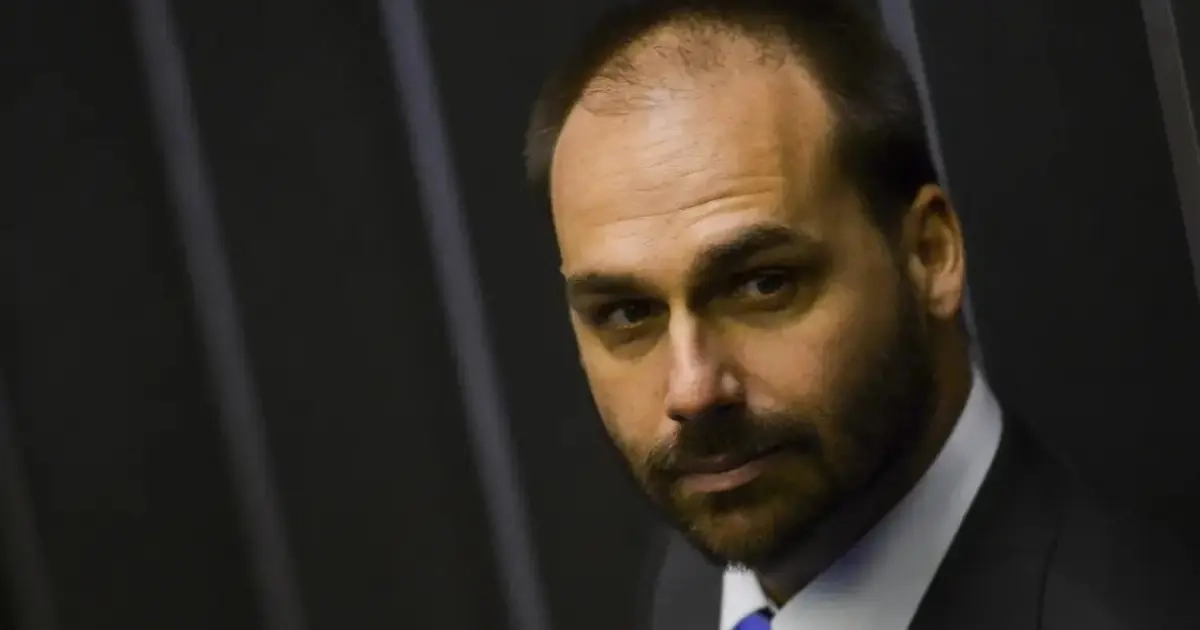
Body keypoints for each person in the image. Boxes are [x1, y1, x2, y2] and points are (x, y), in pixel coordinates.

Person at [523, 0, 1199, 628]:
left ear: (929, 254)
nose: (693, 392)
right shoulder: (698, 573)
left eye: (763, 284)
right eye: (627, 313)